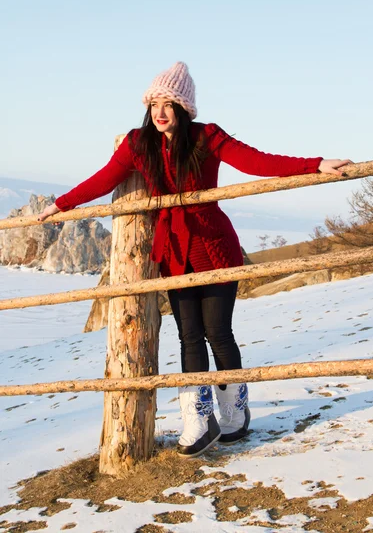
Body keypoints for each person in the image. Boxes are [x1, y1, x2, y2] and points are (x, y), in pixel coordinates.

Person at [38, 62, 352, 458]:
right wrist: (60, 204)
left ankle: (234, 412)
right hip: (173, 252)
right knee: (189, 334)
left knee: (217, 332)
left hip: (214, 246)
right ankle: (199, 419)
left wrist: (315, 164)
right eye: (154, 103)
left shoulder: (206, 137)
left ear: (184, 107)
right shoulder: (138, 144)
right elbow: (103, 179)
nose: (160, 112)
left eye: (169, 103)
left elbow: (257, 162)